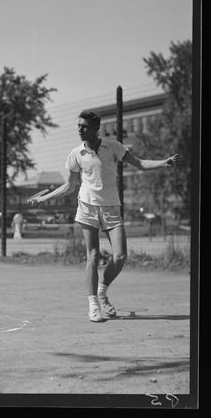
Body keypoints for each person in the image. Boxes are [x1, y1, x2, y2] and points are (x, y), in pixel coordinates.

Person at [28, 110, 178, 323]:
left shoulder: (113, 147)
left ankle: (101, 291)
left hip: (111, 208)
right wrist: (44, 199)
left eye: (85, 126)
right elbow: (70, 186)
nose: (80, 129)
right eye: (79, 125)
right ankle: (93, 306)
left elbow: (141, 163)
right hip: (87, 207)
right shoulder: (76, 154)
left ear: (96, 129)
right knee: (93, 255)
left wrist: (164, 162)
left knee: (120, 256)